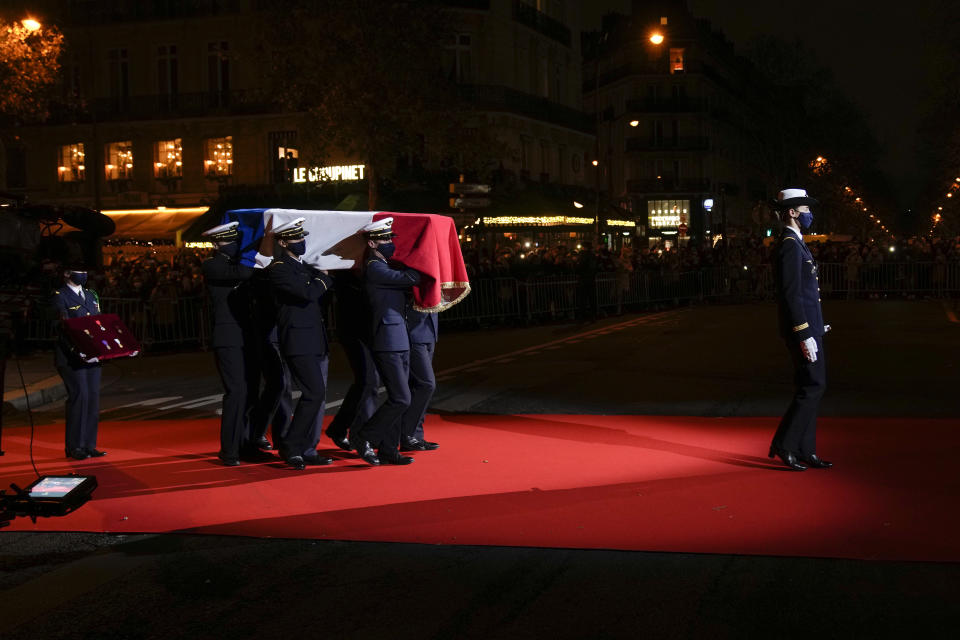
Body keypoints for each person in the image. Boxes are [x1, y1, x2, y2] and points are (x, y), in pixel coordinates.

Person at [769, 188, 833, 471]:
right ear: (793, 212)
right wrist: (804, 332)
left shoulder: (796, 242)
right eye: (806, 210)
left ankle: (806, 449)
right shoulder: (789, 245)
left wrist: (816, 325)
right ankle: (785, 444)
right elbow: (792, 294)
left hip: (810, 327)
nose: (810, 215)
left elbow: (806, 294)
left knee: (812, 387)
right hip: (801, 329)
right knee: (813, 387)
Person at [349, 218, 420, 466]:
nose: (390, 243)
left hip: (398, 337)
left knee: (399, 398)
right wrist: (422, 259)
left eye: (390, 238)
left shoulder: (384, 265)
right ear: (372, 242)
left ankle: (389, 450)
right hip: (387, 340)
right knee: (401, 398)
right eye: (385, 239)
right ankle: (363, 436)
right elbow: (411, 277)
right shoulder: (375, 268)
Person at [266, 217, 335, 470]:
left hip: (314, 339)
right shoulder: (279, 268)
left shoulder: (303, 267)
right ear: (283, 242)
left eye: (302, 237)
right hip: (296, 340)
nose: (302, 241)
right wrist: (324, 279)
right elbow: (307, 293)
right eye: (296, 238)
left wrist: (320, 279)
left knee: (316, 396)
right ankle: (291, 446)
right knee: (314, 393)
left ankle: (305, 448)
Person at [201, 222, 257, 466]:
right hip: (228, 337)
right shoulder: (212, 265)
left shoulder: (234, 264)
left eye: (234, 240)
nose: (232, 245)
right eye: (227, 241)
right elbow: (245, 273)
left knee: (250, 392)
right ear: (216, 244)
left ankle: (245, 444)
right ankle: (229, 449)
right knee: (237, 392)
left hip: (246, 335)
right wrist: (255, 250)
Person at [52, 265, 105, 460]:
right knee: (79, 397)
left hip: (92, 355)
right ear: (66, 273)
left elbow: (99, 323)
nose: (83, 274)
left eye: (85, 270)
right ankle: (75, 446)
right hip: (72, 356)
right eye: (78, 270)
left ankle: (89, 445)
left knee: (92, 398)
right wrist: (78, 350)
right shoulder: (60, 295)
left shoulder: (91, 295)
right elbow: (62, 327)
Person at [325, 268, 379, 451]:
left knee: (364, 383)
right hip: (354, 332)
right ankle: (359, 436)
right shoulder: (346, 273)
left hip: (368, 333)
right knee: (368, 382)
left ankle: (338, 428)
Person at [398, 307, 440, 451]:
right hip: (413, 330)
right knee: (426, 384)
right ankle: (407, 435)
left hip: (429, 329)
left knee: (417, 386)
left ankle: (416, 435)